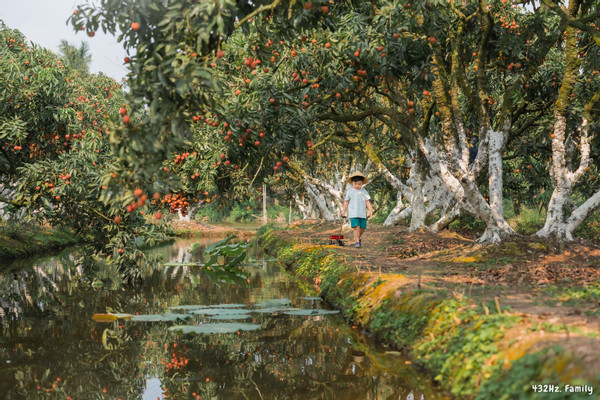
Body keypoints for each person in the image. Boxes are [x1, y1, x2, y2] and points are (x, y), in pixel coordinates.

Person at [340, 171, 373, 248]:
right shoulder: (350, 191)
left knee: (363, 228)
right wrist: (343, 211)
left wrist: (370, 210)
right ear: (352, 183)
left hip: (362, 213)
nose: (358, 186)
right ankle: (357, 242)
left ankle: (357, 238)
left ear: (362, 183)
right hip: (353, 213)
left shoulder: (364, 191)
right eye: (356, 184)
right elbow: (346, 201)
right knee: (356, 227)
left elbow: (367, 201)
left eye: (359, 184)